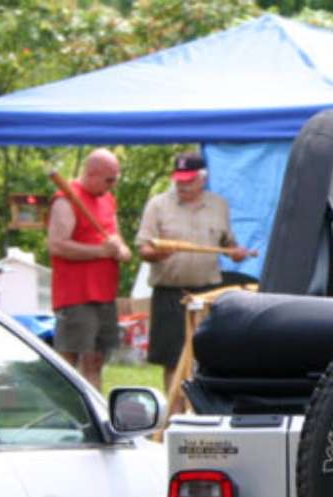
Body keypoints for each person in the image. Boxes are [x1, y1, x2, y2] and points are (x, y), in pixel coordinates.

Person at [137, 151, 249, 395]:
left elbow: (228, 244)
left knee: (207, 356)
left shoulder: (219, 205)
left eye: (188, 180)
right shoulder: (158, 205)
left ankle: (201, 405)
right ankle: (175, 408)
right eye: (179, 180)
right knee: (173, 359)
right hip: (171, 293)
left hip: (207, 293)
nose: (183, 186)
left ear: (202, 179)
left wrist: (236, 252)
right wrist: (158, 254)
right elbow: (143, 249)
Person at [47, 148, 131, 391]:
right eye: (109, 179)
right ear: (92, 173)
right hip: (77, 295)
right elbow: (57, 245)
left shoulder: (108, 199)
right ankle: (63, 408)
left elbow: (115, 238)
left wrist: (121, 249)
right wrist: (101, 251)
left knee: (95, 360)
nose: (113, 185)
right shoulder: (66, 199)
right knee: (68, 360)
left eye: (115, 179)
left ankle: (95, 406)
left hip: (105, 293)